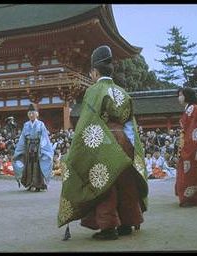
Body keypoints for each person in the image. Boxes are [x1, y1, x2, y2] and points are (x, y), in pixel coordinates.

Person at [57, 45, 148, 240]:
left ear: (95, 72)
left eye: (91, 73)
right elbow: (130, 124)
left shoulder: (94, 91)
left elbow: (87, 122)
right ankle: (128, 222)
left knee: (104, 182)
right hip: (124, 139)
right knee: (125, 181)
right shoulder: (123, 92)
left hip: (103, 140)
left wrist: (76, 150)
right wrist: (133, 148)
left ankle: (108, 227)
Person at [13, 104, 54, 192]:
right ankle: (30, 183)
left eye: (33, 113)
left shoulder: (41, 124)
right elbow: (22, 138)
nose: (31, 115)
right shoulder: (26, 125)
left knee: (37, 165)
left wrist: (44, 150)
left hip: (38, 147)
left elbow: (44, 137)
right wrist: (19, 150)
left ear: (37, 114)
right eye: (29, 113)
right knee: (28, 164)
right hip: (28, 147)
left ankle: (38, 184)